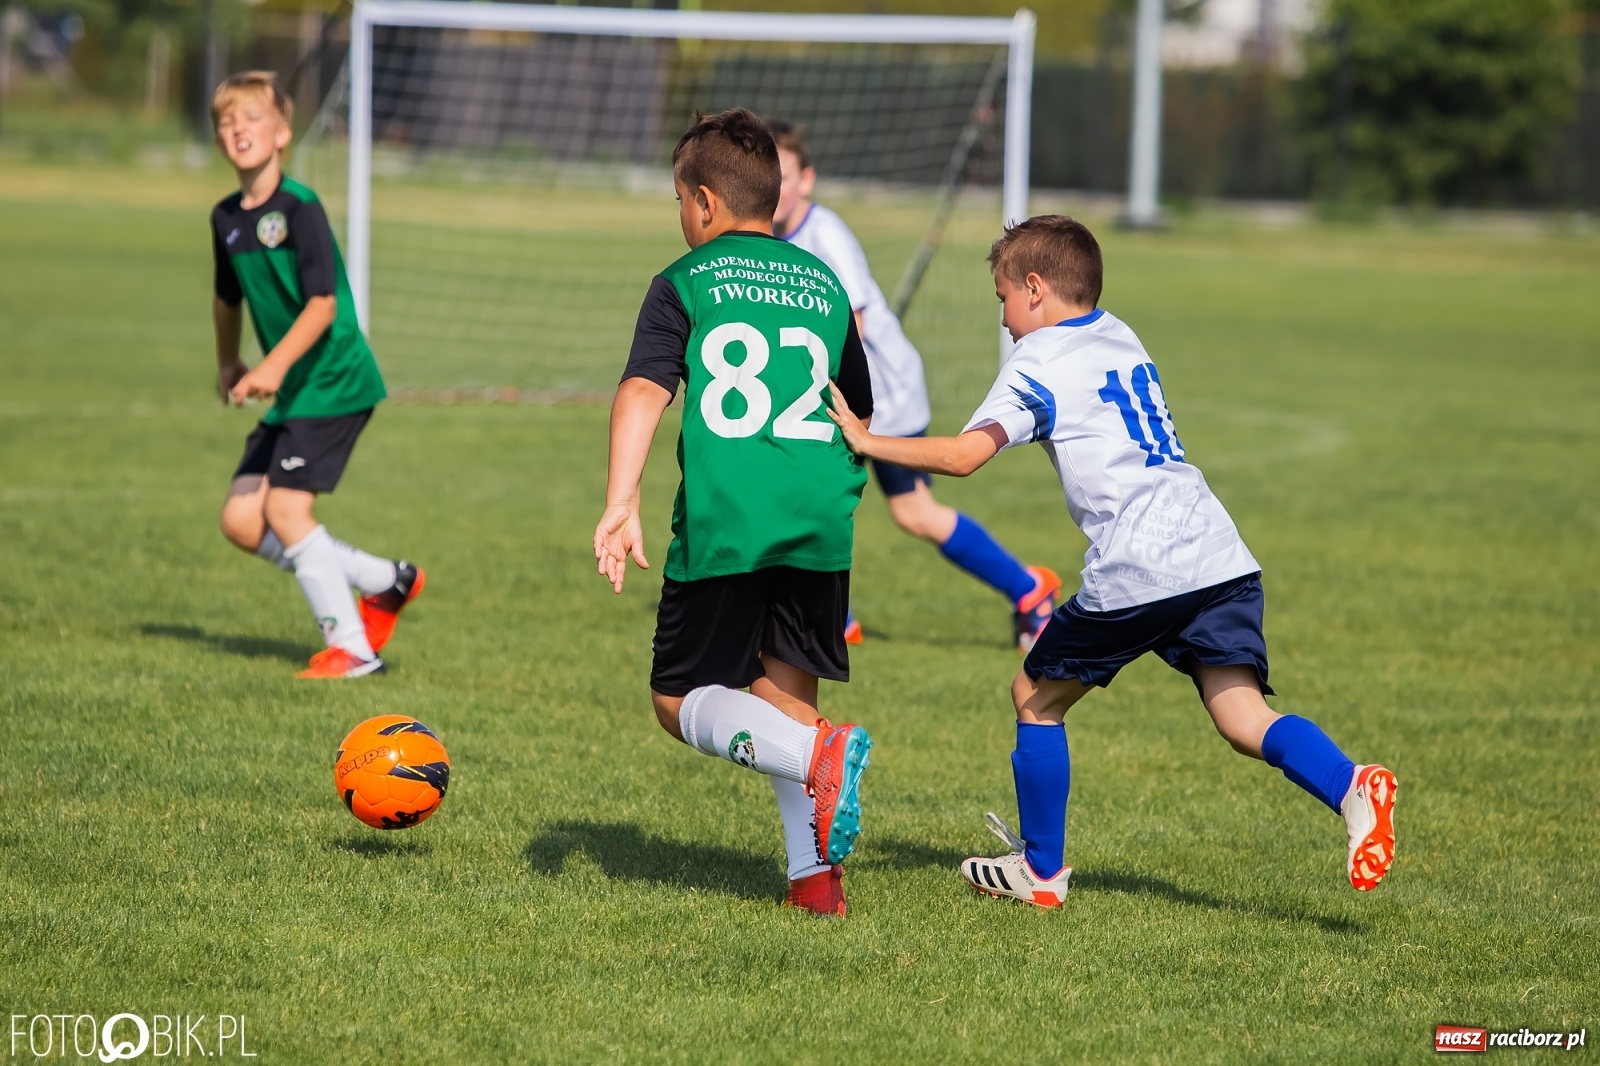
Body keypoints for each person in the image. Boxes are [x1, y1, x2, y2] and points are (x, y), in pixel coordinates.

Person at [825, 215, 1397, 907]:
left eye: (1003, 298)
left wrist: (866, 437)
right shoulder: (1118, 332)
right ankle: (1350, 784)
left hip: (1139, 563)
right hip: (1217, 550)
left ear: (1035, 289)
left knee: (1035, 697)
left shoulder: (1035, 363)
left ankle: (1039, 872)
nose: (1003, 320)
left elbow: (964, 457)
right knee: (1242, 718)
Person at [593, 109, 875, 917]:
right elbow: (857, 404)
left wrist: (621, 501)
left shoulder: (683, 283)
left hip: (730, 517)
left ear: (707, 204)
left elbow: (644, 390)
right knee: (784, 691)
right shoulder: (822, 282)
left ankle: (824, 753)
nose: (681, 216)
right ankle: (816, 885)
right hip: (821, 514)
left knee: (679, 697)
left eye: (680, 199)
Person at [769, 121, 1060, 651]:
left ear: (806, 180)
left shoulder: (823, 233)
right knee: (905, 511)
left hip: (879, 391)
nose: (776, 188)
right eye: (767, 177)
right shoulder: (771, 238)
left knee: (820, 494)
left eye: (784, 176)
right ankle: (1025, 589)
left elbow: (850, 322)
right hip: (838, 394)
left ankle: (832, 617)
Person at [209, 72, 423, 680]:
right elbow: (227, 298)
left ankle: (353, 649)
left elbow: (322, 305)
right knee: (240, 519)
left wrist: (274, 365)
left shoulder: (299, 208)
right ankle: (387, 581)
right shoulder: (226, 217)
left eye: (251, 119)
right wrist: (229, 360)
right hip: (293, 388)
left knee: (285, 509)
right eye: (227, 123)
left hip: (332, 380)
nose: (238, 130)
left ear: (281, 133)